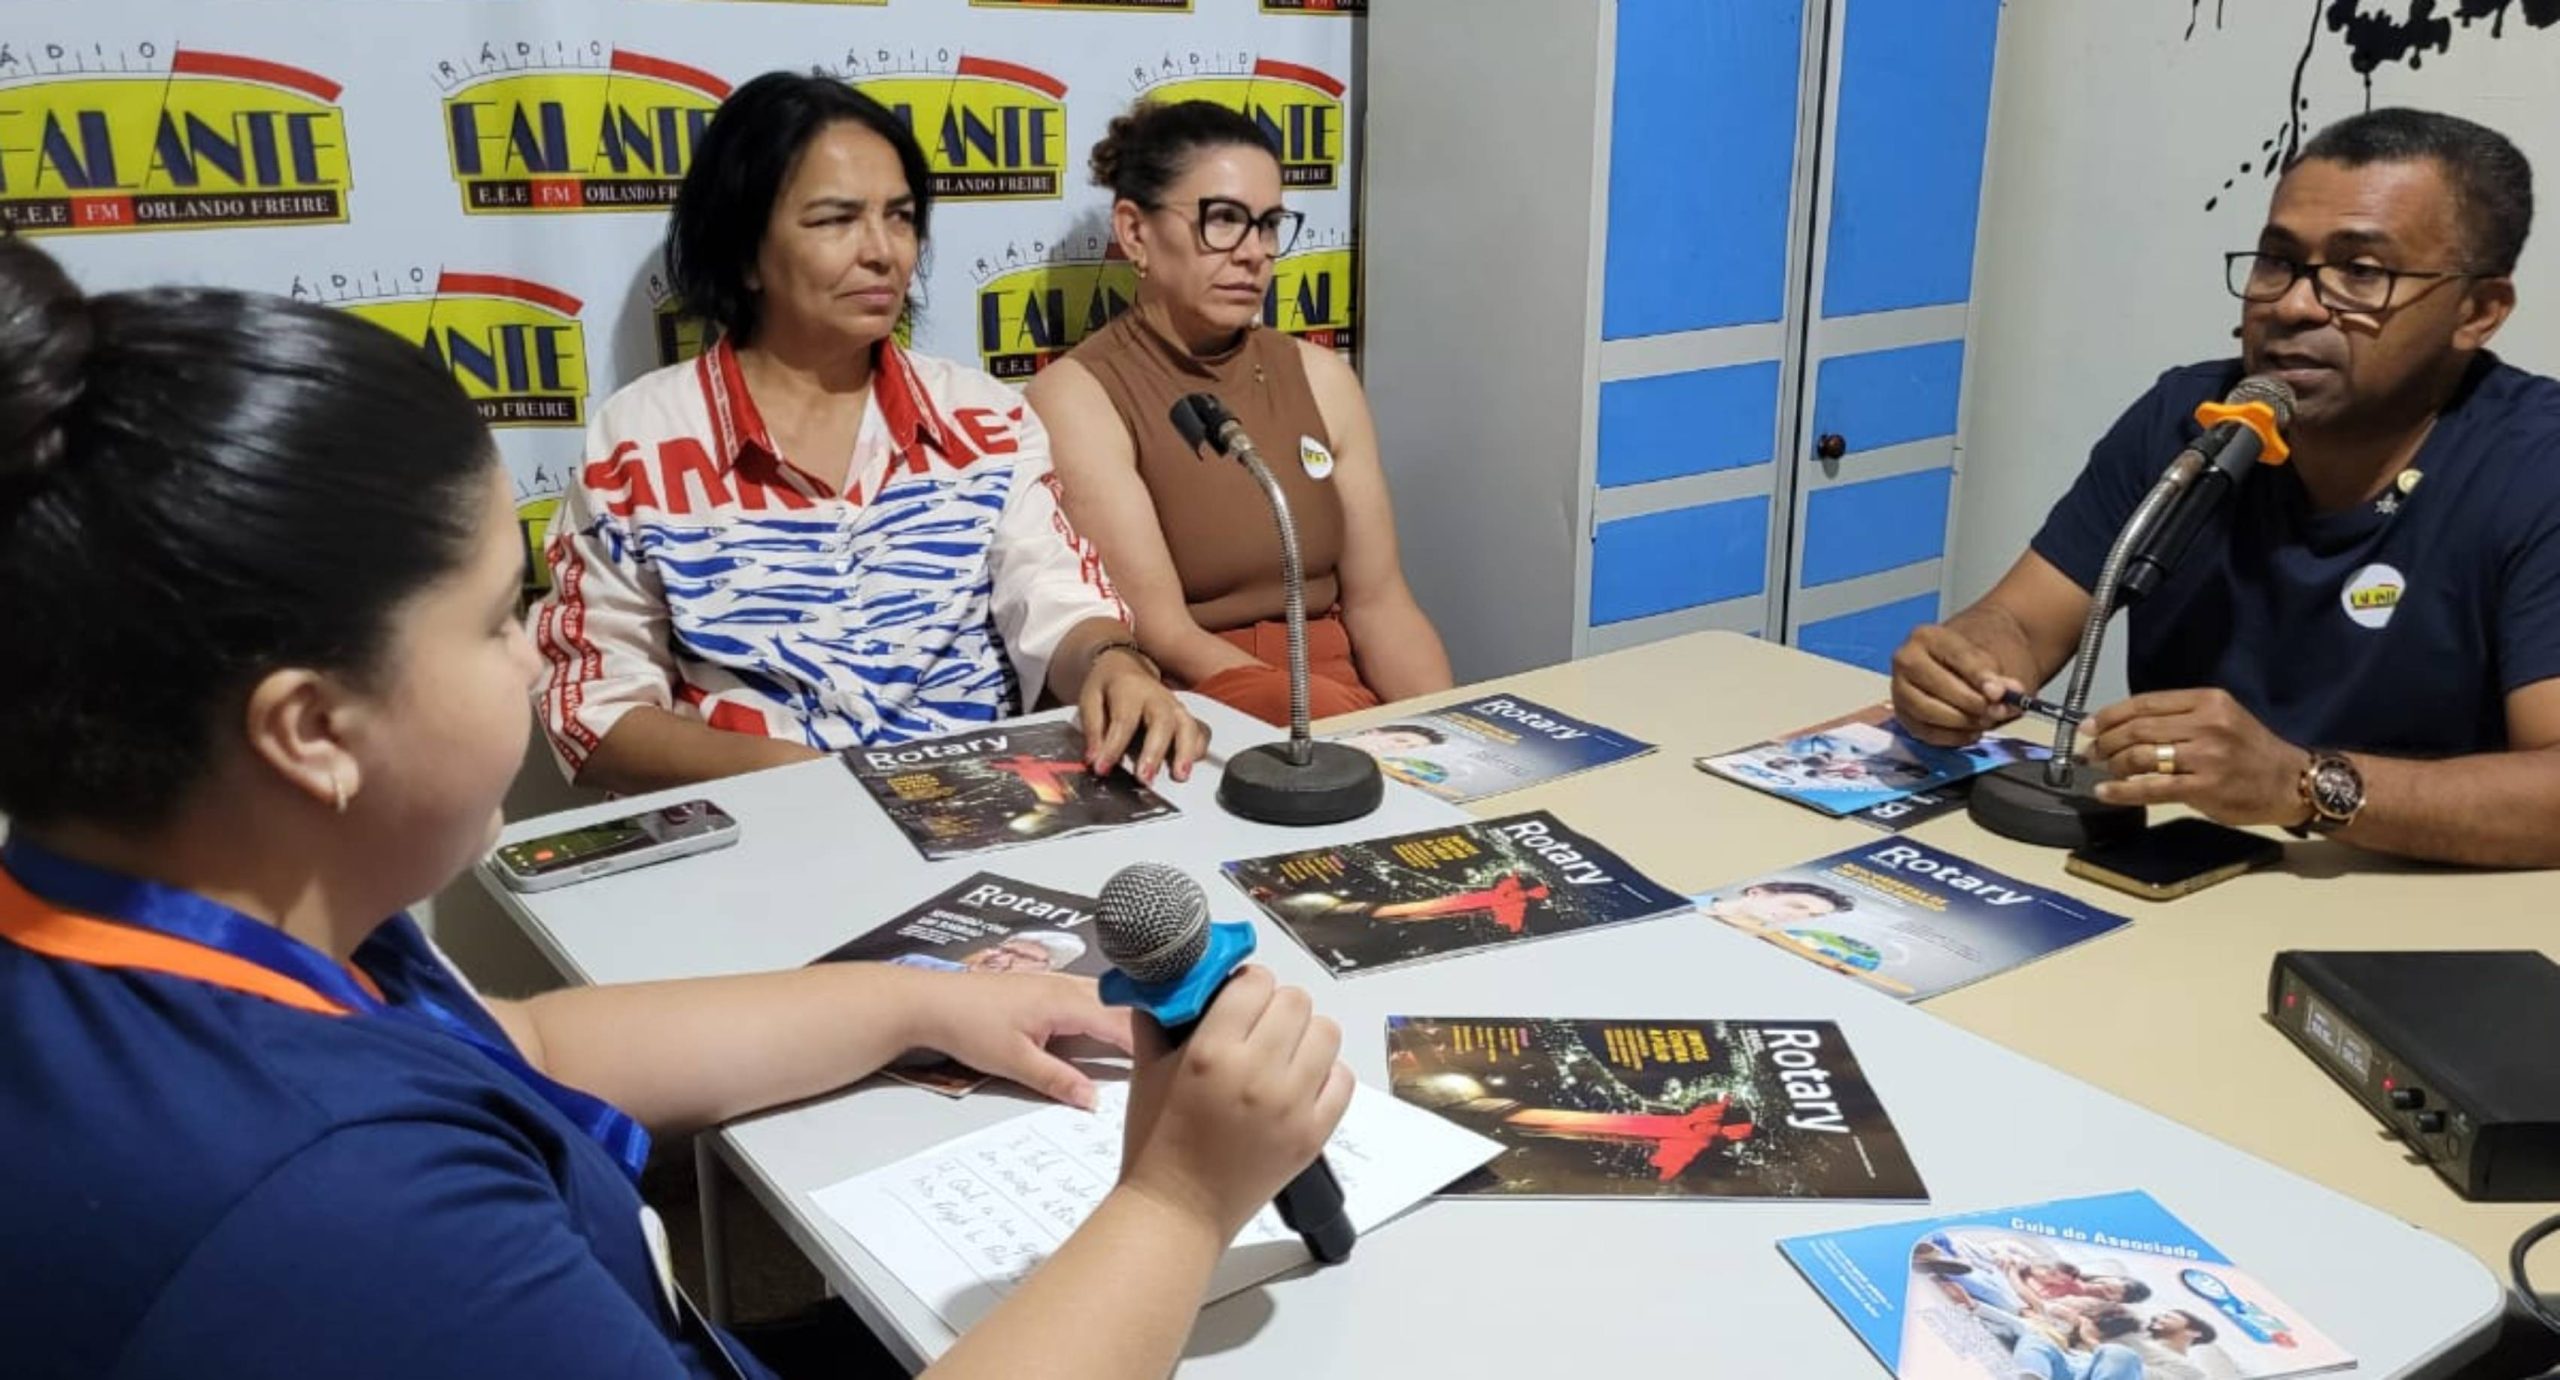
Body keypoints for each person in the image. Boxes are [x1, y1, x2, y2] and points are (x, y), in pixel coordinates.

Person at [0, 238, 1352, 1380]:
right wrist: (1177, 1202)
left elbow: (520, 1041)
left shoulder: (183, 905)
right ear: (311, 731)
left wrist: (918, 1003)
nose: (539, 656)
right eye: (495, 622)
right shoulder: (340, 1208)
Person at [1888, 107, 2560, 867]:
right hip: (2175, 875)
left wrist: (2305, 785)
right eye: (2278, 261)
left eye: (2361, 272)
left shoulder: (2536, 468)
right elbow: (2023, 621)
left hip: (2421, 917)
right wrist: (1965, 664)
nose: (2294, 304)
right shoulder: (2192, 421)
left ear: (2478, 312)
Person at [529, 74, 1207, 795]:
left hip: (991, 810)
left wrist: (1112, 663)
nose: (883, 252)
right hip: (767, 831)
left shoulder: (981, 416)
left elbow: (1052, 592)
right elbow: (591, 714)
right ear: (744, 249)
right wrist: (809, 784)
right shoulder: (639, 440)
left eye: (901, 216)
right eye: (834, 220)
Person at [1026, 99, 1453, 726]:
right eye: (1222, 221)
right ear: (1135, 232)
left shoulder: (1322, 377)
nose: (1254, 252)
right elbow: (1164, 633)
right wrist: (1327, 724)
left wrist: (1446, 729)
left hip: (1346, 695)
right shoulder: (1078, 396)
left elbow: (1381, 605)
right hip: (1203, 703)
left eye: (1269, 224)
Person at [1704, 880, 1854, 933]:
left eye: (1812, 915)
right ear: (1755, 893)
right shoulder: (1688, 903)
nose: (1798, 916)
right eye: (1796, 906)